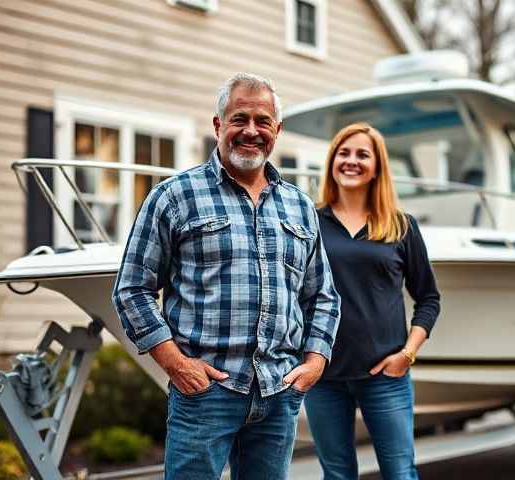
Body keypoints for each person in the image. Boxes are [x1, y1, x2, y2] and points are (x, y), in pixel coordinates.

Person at [112, 73, 340, 480]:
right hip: (204, 394)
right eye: (239, 119)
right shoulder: (174, 196)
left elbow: (322, 295)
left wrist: (315, 362)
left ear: (276, 131)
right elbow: (132, 287)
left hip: (278, 392)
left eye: (262, 121)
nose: (250, 131)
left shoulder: (300, 206)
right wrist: (176, 364)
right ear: (218, 125)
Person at [305, 123, 441, 479]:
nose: (351, 161)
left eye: (362, 154)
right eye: (343, 153)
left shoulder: (401, 226)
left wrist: (407, 355)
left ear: (378, 166)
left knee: (399, 473)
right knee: (336, 475)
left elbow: (428, 298)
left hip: (385, 375)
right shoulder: (309, 222)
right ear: (332, 161)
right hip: (323, 376)